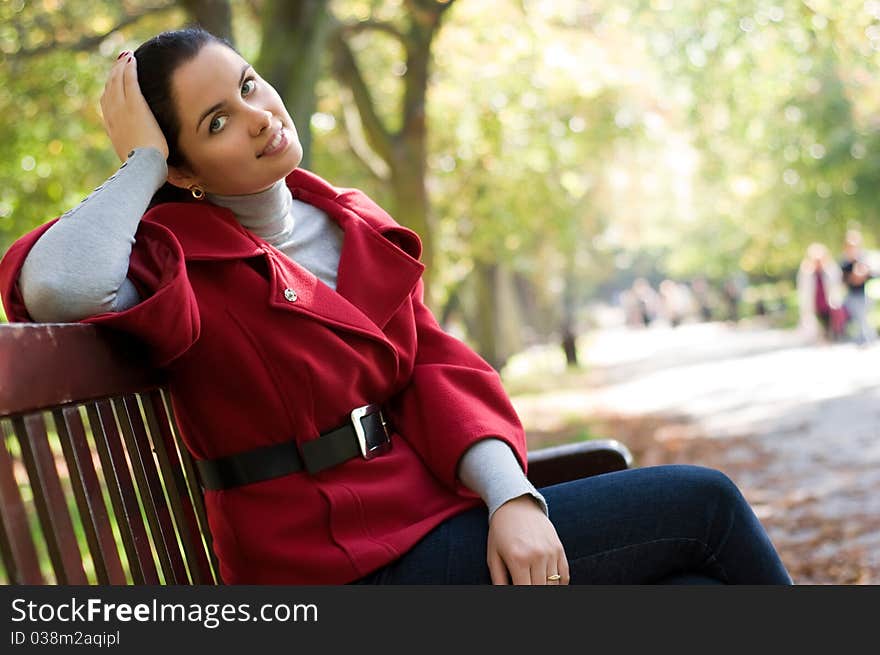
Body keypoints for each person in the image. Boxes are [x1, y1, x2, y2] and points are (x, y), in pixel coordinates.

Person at [0, 27, 792, 585]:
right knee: (706, 507)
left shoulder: (344, 218)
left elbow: (435, 367)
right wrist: (140, 161)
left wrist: (512, 497)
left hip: (431, 520)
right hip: (339, 567)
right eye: (216, 122)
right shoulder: (171, 255)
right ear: (184, 167)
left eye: (248, 85)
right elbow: (56, 288)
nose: (257, 116)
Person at [796, 242, 844, 343]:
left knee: (830, 322)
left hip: (828, 303)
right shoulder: (806, 272)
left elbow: (837, 285)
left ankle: (832, 336)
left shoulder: (831, 269)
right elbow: (803, 290)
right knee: (815, 325)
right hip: (815, 303)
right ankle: (821, 338)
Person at [839, 229, 876, 346]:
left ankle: (865, 338)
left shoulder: (863, 260)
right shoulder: (845, 263)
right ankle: (866, 337)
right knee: (859, 315)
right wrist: (854, 277)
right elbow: (845, 281)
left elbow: (872, 275)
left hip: (864, 295)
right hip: (851, 296)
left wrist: (864, 273)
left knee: (862, 315)